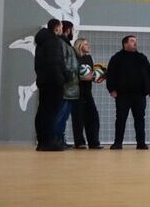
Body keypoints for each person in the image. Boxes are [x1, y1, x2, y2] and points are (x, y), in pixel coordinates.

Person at [105, 35, 150, 150]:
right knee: (120, 118)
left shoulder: (142, 58)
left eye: (136, 41)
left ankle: (141, 143)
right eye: (132, 41)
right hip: (122, 95)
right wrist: (111, 89)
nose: (135, 43)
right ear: (125, 44)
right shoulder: (116, 58)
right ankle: (118, 143)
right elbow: (110, 75)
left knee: (140, 119)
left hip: (139, 94)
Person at [33, 19, 67, 151]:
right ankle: (49, 142)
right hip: (53, 82)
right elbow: (55, 64)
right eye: (61, 27)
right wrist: (61, 80)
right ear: (57, 28)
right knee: (52, 113)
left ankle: (42, 141)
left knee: (43, 111)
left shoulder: (41, 42)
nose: (62, 30)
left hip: (43, 81)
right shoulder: (54, 42)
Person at [71, 37, 102, 149]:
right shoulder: (74, 58)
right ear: (79, 46)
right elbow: (73, 74)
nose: (88, 46)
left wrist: (98, 76)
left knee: (93, 117)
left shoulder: (88, 58)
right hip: (76, 92)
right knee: (78, 118)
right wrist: (84, 77)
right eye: (85, 44)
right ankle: (79, 142)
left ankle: (94, 142)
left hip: (88, 92)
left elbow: (91, 73)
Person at [56, 21, 81, 149]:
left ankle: (60, 139)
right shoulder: (62, 45)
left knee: (63, 116)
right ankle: (57, 140)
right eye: (72, 29)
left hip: (70, 88)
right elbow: (67, 65)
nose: (73, 32)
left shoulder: (66, 44)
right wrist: (70, 76)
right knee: (61, 115)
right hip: (67, 88)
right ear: (67, 30)